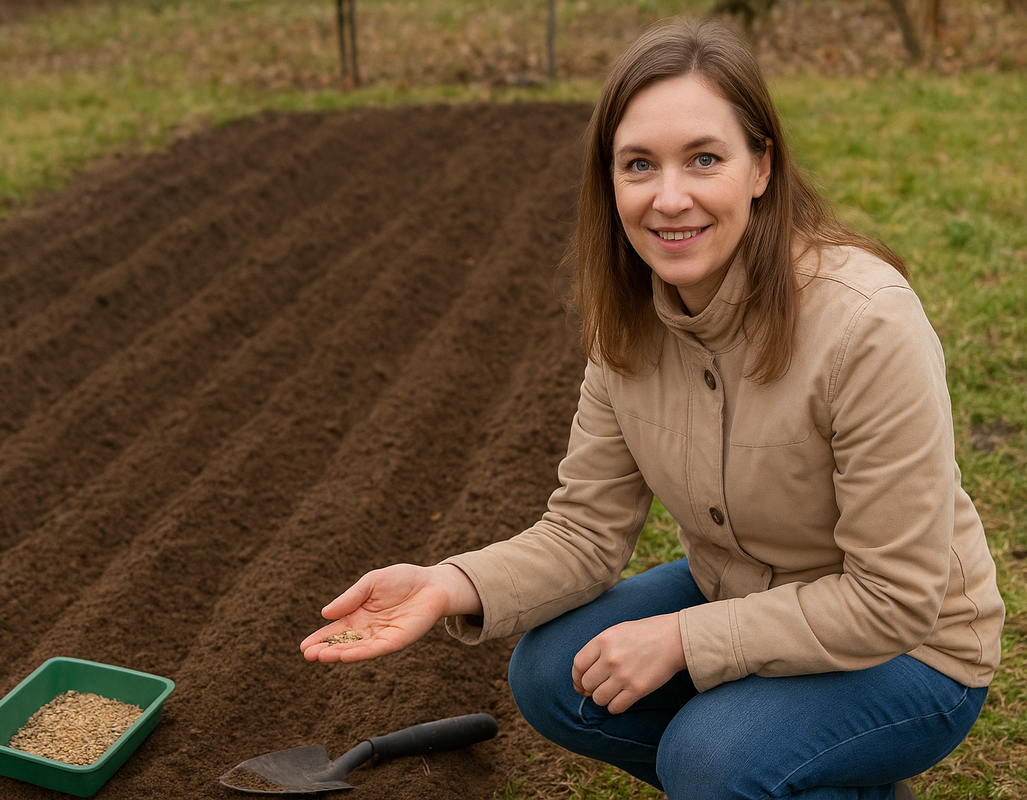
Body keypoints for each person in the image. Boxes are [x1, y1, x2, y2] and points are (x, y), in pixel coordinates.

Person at [300, 17, 1004, 800]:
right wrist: (444, 585)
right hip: (748, 594)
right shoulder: (630, 323)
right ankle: (809, 775)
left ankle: (772, 766)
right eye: (639, 165)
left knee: (708, 758)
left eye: (704, 158)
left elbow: (892, 599)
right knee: (549, 673)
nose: (670, 199)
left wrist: (684, 639)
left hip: (911, 651)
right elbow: (585, 532)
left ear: (761, 166)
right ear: (610, 180)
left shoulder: (866, 323)